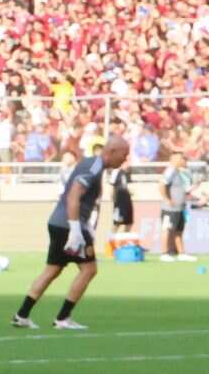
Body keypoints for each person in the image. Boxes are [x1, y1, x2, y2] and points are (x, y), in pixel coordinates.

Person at [14, 135, 130, 331]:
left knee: (53, 269)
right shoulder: (94, 166)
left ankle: (22, 315)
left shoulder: (92, 164)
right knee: (89, 269)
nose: (124, 159)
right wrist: (76, 230)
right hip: (69, 224)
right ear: (112, 152)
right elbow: (74, 194)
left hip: (57, 221)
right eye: (123, 155)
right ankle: (63, 317)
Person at [160, 153, 198, 263]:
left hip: (179, 208)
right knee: (166, 229)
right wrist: (167, 199)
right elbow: (161, 185)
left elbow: (183, 190)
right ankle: (164, 253)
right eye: (181, 158)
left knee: (178, 231)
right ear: (175, 159)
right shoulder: (170, 171)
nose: (184, 160)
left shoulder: (179, 172)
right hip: (169, 208)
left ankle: (181, 253)